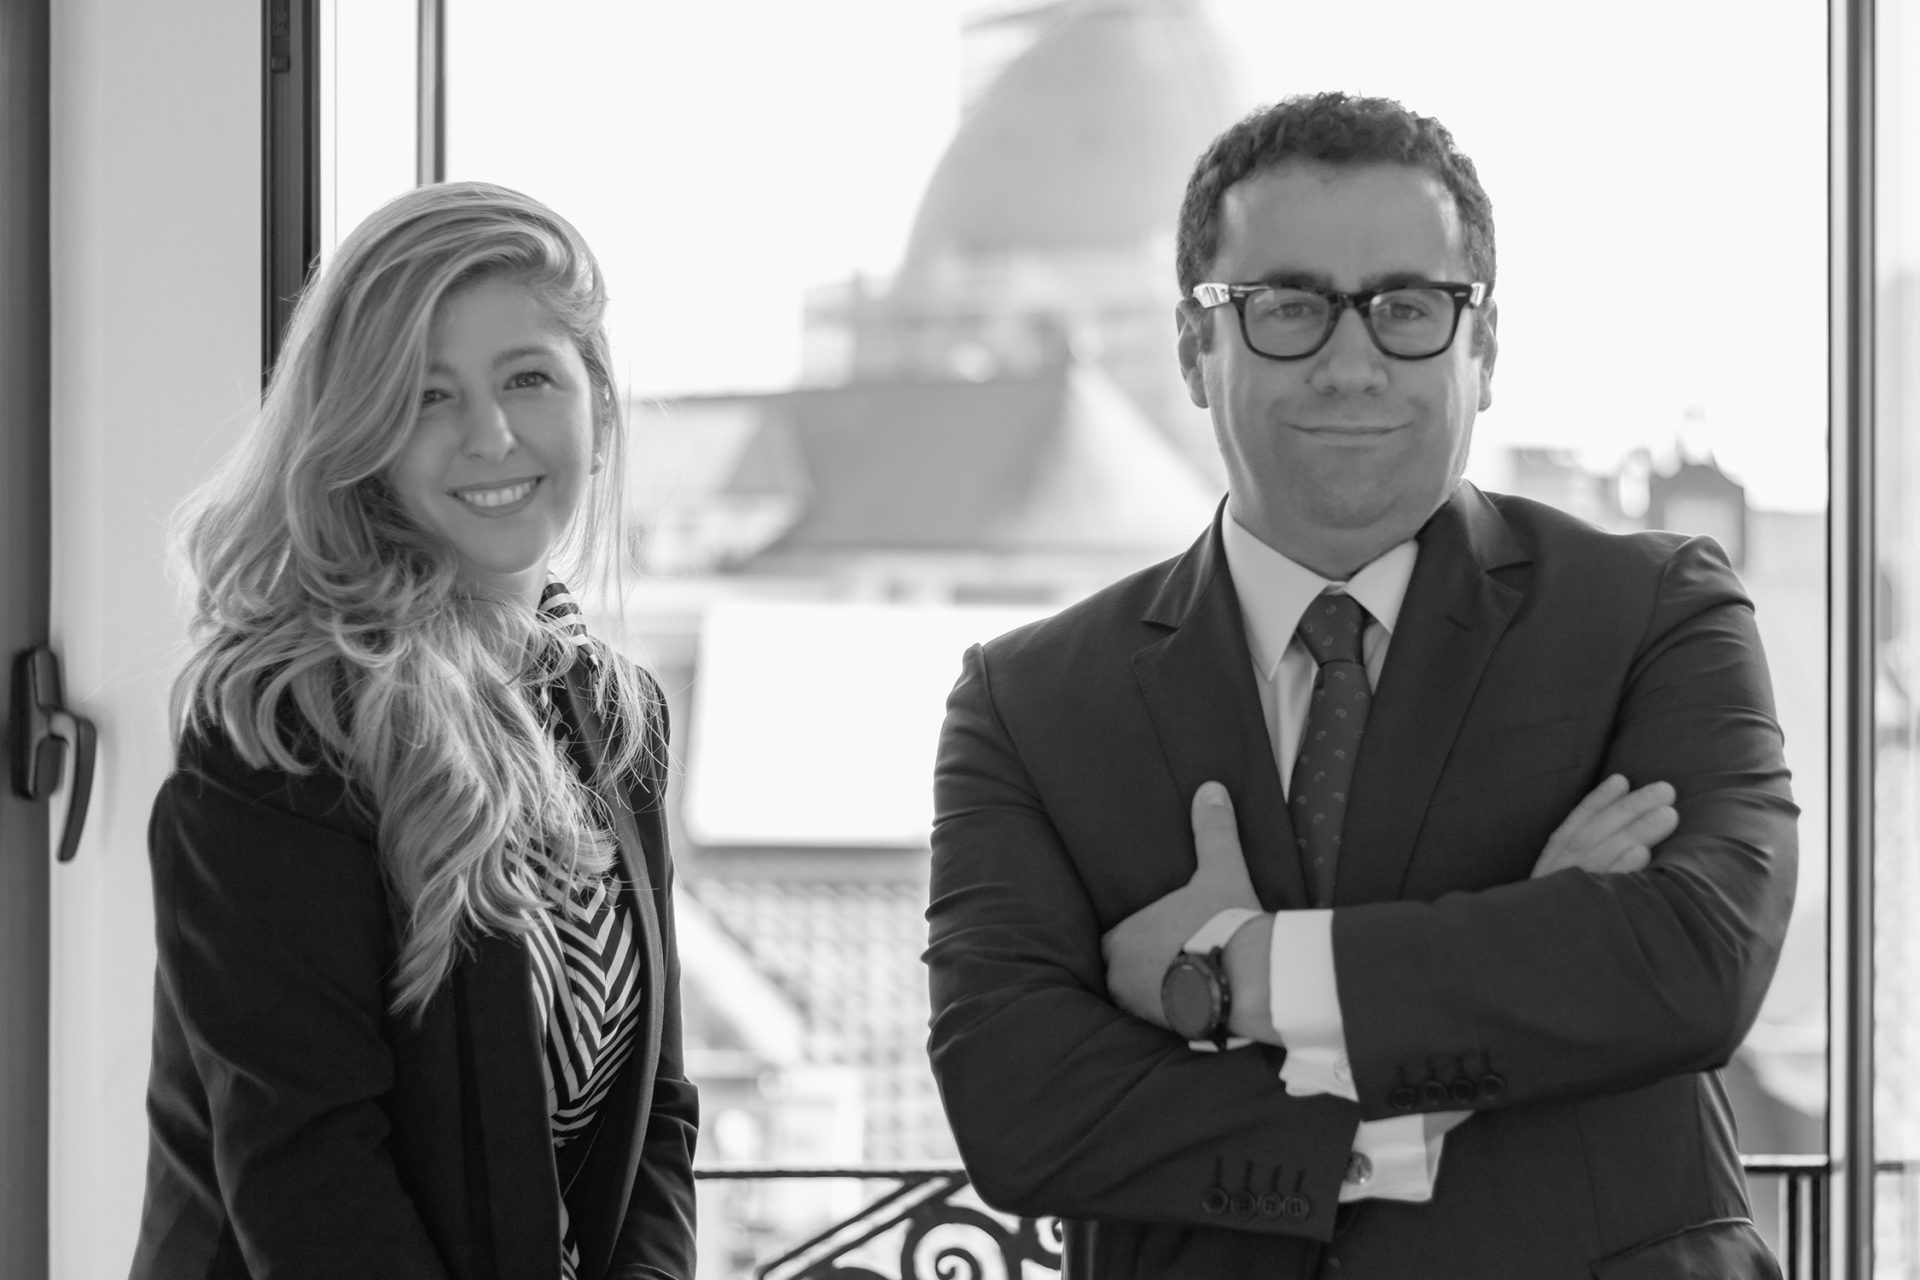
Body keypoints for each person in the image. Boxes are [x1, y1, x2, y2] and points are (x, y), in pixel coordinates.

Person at [925, 92, 1795, 1278]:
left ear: (1484, 347)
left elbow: (1694, 963)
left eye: (1408, 308)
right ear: (1193, 347)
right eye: (1288, 307)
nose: (1351, 365)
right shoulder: (1029, 703)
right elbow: (1019, 1106)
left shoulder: (1654, 611)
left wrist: (1234, 974)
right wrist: (1456, 1050)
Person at [131, 182, 696, 1280]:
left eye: (528, 378)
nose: (491, 435)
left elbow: (657, 1113)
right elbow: (310, 1173)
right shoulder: (281, 726)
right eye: (428, 395)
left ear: (598, 405)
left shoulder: (617, 709)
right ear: (365, 436)